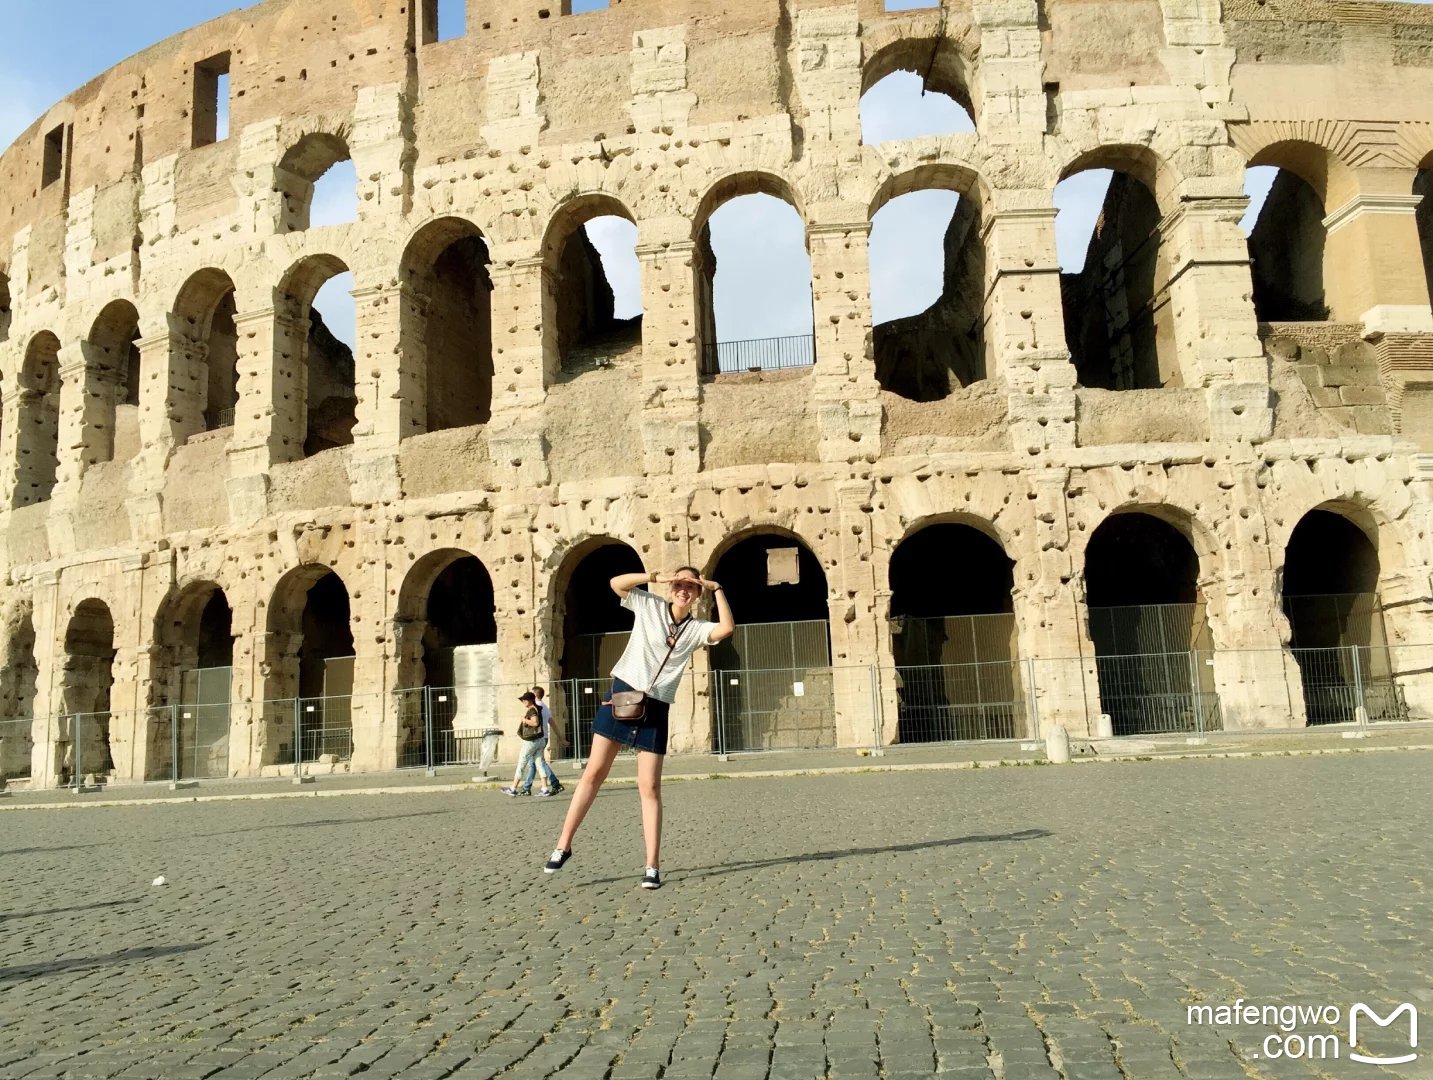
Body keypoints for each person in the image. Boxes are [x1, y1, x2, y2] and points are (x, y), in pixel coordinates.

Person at [543, 566, 734, 889]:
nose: (683, 589)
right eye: (679, 584)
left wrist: (717, 588)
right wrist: (655, 578)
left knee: (650, 787)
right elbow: (615, 583)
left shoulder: (697, 628)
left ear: (697, 592)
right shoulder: (649, 605)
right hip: (623, 694)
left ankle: (652, 866)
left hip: (655, 706)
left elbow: (726, 629)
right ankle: (564, 845)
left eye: (690, 586)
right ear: (671, 585)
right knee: (593, 773)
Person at [502, 692, 549, 797]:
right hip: (540, 739)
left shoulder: (532, 710)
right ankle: (545, 788)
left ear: (530, 700)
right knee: (540, 763)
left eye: (525, 700)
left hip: (531, 741)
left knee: (521, 763)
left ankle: (513, 788)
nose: (523, 702)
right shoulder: (538, 708)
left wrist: (524, 720)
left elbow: (535, 723)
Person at [530, 687, 563, 796]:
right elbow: (552, 723)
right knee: (535, 762)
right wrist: (560, 738)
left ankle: (554, 783)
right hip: (544, 736)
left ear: (535, 695)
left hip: (537, 737)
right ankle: (527, 786)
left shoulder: (535, 707)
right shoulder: (545, 707)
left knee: (539, 762)